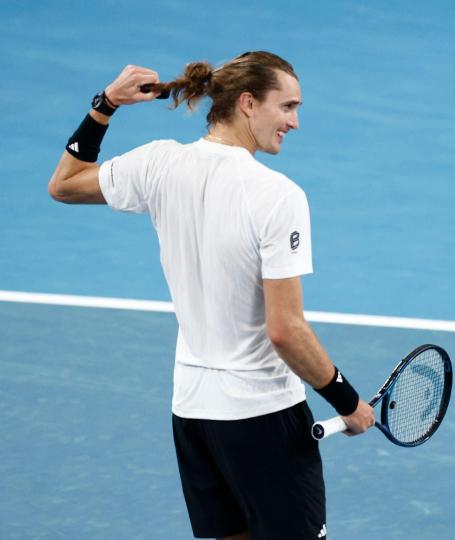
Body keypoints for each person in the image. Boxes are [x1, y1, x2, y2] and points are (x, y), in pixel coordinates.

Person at [48, 51, 376, 540]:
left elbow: (64, 184)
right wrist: (347, 400)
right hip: (263, 414)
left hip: (193, 413)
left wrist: (104, 106)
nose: (295, 122)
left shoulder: (159, 163)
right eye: (287, 106)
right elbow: (286, 330)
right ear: (248, 103)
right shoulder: (277, 195)